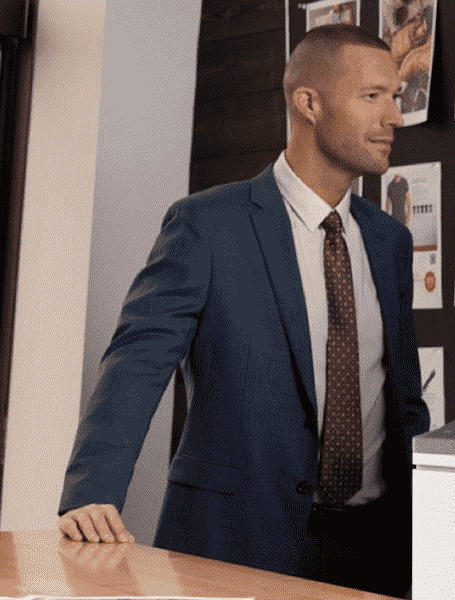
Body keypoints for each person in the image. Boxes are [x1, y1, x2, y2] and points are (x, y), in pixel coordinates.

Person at [55, 24, 429, 598]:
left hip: (375, 549)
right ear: (309, 103)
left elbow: (402, 396)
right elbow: (137, 363)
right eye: (373, 97)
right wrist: (91, 492)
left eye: (395, 99)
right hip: (236, 542)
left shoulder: (388, 242)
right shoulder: (209, 225)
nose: (395, 119)